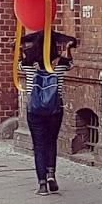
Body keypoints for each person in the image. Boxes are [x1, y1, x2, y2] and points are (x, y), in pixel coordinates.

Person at [19, 30, 75, 194]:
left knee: (39, 145)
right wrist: (68, 49)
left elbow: (17, 64)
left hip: (34, 109)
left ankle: (42, 184)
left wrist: (21, 48)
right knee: (51, 141)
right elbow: (71, 64)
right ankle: (51, 175)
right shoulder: (60, 63)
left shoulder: (29, 63)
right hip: (54, 109)